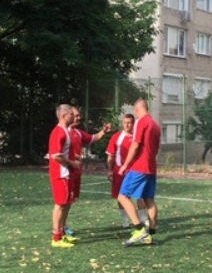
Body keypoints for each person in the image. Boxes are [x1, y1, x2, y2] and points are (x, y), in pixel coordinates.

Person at [118, 98, 161, 246]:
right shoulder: (155, 125)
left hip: (139, 167)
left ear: (137, 110)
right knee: (149, 200)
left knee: (122, 196)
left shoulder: (141, 122)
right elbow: (156, 148)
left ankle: (139, 230)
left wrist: (125, 165)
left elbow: (135, 145)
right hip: (151, 167)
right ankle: (150, 234)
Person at [66, 106, 112, 240]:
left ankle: (63, 225)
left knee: (70, 200)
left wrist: (103, 131)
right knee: (64, 201)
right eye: (76, 115)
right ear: (68, 115)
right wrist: (72, 158)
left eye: (79, 115)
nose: (78, 117)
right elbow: (57, 154)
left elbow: (93, 138)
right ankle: (60, 229)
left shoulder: (78, 132)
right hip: (66, 172)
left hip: (77, 171)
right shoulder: (63, 132)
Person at [106, 113, 148, 229]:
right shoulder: (116, 137)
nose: (127, 125)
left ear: (133, 124)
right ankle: (125, 220)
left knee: (140, 195)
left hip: (136, 171)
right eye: (125, 123)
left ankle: (143, 219)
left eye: (129, 123)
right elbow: (110, 155)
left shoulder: (138, 137)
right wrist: (110, 170)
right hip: (120, 171)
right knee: (121, 197)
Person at [48, 103, 81, 249]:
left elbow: (63, 153)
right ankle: (56, 238)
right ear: (63, 115)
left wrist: (74, 159)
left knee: (66, 204)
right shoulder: (59, 131)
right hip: (60, 174)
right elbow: (56, 156)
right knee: (60, 205)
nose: (74, 116)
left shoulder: (66, 131)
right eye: (71, 114)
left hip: (67, 174)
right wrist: (72, 163)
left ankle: (62, 234)